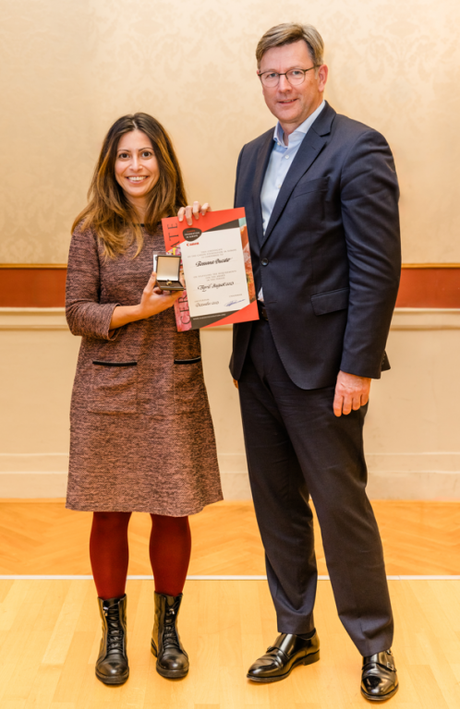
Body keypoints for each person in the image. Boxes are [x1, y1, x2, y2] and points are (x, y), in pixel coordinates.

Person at [180, 21, 401, 702]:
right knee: (277, 506)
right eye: (271, 75)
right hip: (258, 357)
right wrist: (197, 240)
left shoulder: (359, 147)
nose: (282, 86)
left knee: (340, 505)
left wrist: (357, 365)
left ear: (321, 76)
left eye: (295, 73)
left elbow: (377, 267)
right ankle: (295, 628)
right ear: (261, 81)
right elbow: (256, 252)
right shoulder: (252, 153)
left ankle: (374, 643)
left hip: (326, 365)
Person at [65, 112, 222, 686]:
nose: (136, 166)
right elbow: (77, 312)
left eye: (147, 154)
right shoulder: (91, 229)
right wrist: (138, 310)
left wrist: (209, 241)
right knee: (108, 512)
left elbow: (222, 302)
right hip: (107, 391)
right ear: (111, 164)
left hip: (172, 384)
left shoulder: (190, 227)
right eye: (125, 155)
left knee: (172, 508)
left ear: (164, 161)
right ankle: (113, 636)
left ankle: (168, 630)